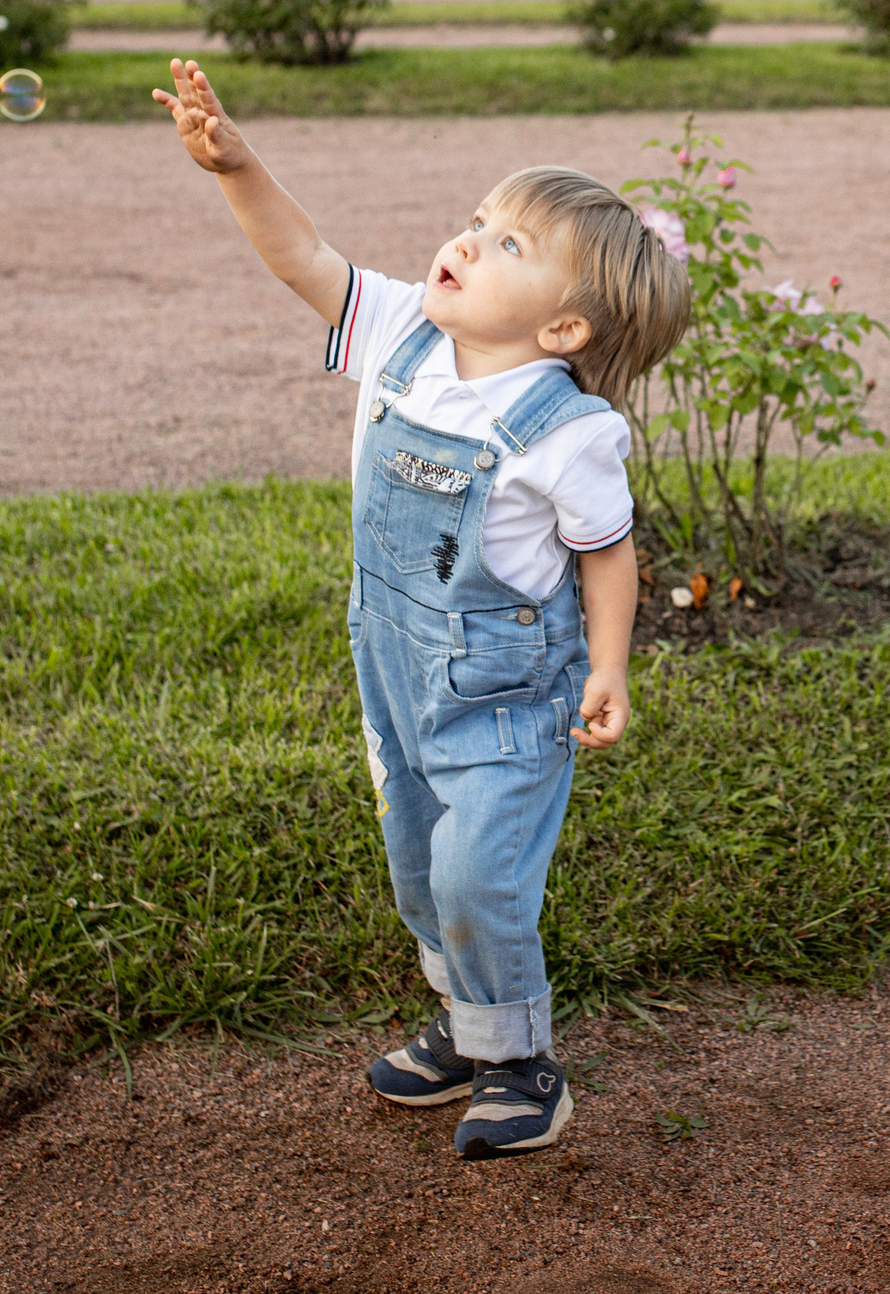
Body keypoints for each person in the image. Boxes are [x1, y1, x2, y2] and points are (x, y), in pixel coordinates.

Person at [154, 60, 690, 1158]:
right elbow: (300, 254)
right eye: (478, 219)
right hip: (396, 670)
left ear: (565, 329)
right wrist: (237, 166)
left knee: (474, 870)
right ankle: (466, 1023)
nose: (467, 239)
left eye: (509, 245)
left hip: (503, 697)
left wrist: (610, 665)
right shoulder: (402, 330)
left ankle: (523, 1063)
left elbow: (608, 554)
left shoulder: (568, 432)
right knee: (416, 857)